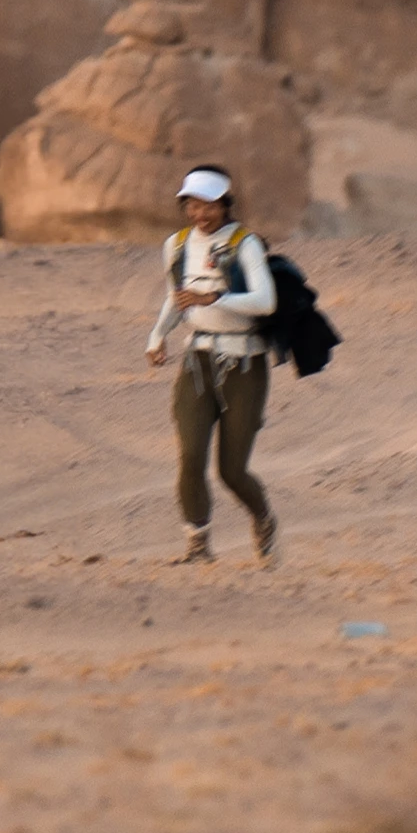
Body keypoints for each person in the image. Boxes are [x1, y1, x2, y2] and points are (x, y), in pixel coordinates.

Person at [143, 163, 278, 564]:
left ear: (225, 205)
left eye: (210, 206)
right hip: (198, 361)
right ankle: (198, 544)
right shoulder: (178, 245)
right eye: (193, 205)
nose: (201, 214)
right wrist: (158, 334)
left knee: (232, 471)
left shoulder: (245, 243)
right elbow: (177, 296)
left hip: (245, 365)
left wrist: (213, 299)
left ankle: (264, 518)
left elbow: (265, 301)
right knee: (190, 458)